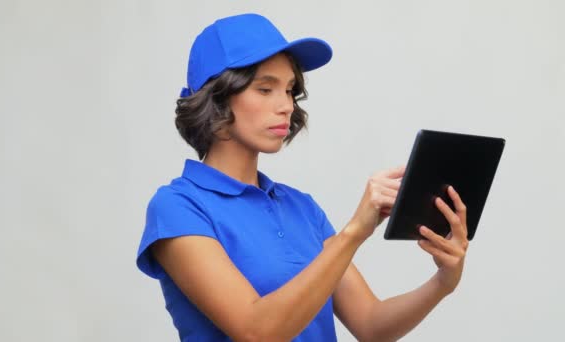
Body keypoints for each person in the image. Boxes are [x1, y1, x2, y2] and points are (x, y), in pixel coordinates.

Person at [136, 13, 469, 341]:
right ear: (217, 99)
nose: (286, 106)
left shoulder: (301, 208)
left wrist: (442, 282)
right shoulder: (178, 207)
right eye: (265, 89)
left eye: (289, 90)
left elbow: (370, 324)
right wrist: (353, 233)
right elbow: (256, 331)